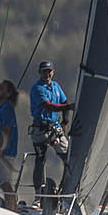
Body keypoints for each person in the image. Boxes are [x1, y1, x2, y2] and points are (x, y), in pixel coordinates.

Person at [29, 62, 72, 196]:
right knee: (40, 160)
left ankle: (65, 190)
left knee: (69, 158)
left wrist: (65, 121)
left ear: (53, 72)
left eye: (49, 71)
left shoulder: (56, 86)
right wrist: (67, 108)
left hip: (56, 128)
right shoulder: (37, 88)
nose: (47, 74)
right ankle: (38, 194)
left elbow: (64, 102)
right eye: (44, 71)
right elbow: (49, 106)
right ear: (40, 73)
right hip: (41, 130)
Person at [0, 80, 20, 210]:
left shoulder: (7, 108)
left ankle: (12, 209)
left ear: (8, 94)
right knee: (3, 183)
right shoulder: (3, 108)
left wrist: (1, 149)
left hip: (4, 153)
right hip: (3, 152)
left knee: (5, 183)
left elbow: (6, 130)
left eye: (2, 88)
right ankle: (12, 207)